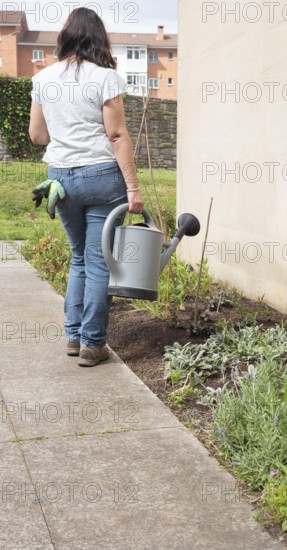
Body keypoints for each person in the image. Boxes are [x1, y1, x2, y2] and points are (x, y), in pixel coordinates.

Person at [29, 7, 144, 367]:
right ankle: (93, 344)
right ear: (98, 38)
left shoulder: (43, 79)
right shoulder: (105, 77)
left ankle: (74, 336)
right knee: (98, 263)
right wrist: (133, 189)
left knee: (79, 257)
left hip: (59, 180)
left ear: (66, 37)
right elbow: (117, 134)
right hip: (101, 177)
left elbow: (37, 136)